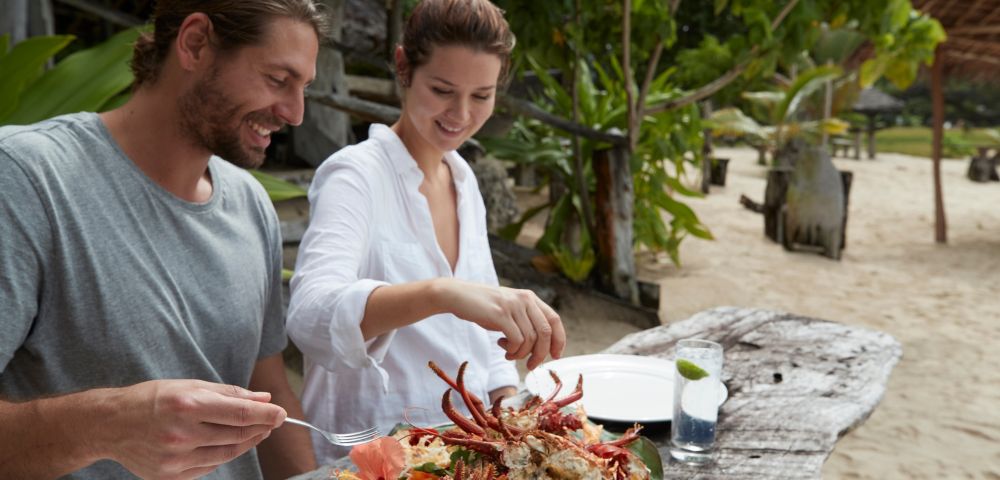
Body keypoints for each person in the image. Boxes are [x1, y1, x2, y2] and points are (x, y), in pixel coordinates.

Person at [0, 1, 329, 478]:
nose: (296, 114)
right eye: (278, 80)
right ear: (195, 43)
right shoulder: (27, 179)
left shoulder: (252, 204)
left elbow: (272, 395)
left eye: (304, 88)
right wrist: (104, 424)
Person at [287, 0, 566, 463]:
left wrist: (505, 394)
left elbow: (485, 330)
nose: (460, 113)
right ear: (403, 67)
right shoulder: (355, 175)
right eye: (442, 90)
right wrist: (440, 293)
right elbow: (310, 316)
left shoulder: (463, 178)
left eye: (481, 95)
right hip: (373, 454)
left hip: (468, 450)